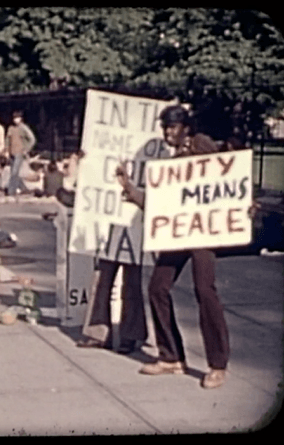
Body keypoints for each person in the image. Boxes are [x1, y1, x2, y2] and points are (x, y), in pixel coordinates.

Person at [116, 104, 234, 389]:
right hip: (178, 232)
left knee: (204, 290)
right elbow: (161, 205)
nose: (168, 132)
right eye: (165, 127)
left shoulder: (201, 144)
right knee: (158, 287)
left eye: (173, 126)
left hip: (202, 231)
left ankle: (218, 364)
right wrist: (130, 188)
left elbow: (223, 177)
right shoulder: (170, 161)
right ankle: (171, 357)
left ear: (185, 127)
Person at [6, 110, 36, 196]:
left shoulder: (24, 128)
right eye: (14, 118)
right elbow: (7, 140)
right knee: (13, 172)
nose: (16, 120)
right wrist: (6, 150)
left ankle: (11, 191)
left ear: (21, 118)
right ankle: (23, 188)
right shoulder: (11, 128)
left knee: (14, 172)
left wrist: (26, 150)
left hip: (19, 153)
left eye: (17, 118)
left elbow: (32, 139)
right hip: (11, 153)